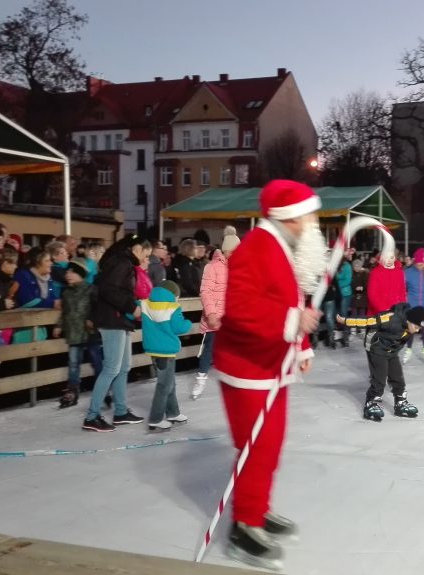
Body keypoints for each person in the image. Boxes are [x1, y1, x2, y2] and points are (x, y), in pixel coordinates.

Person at [211, 180, 323, 570]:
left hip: (271, 364)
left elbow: (286, 299)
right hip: (247, 368)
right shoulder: (258, 247)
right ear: (289, 217)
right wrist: (294, 322)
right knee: (256, 448)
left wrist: (302, 345)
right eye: (308, 214)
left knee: (269, 445)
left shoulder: (280, 247)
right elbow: (240, 308)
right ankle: (245, 523)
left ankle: (256, 509)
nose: (313, 222)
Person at [81, 235, 150, 432]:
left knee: (124, 366)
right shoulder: (122, 263)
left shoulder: (123, 262)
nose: (147, 258)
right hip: (112, 319)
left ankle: (120, 411)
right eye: (146, 254)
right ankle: (92, 416)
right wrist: (131, 307)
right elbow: (109, 290)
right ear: (136, 248)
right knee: (111, 368)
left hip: (120, 319)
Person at [337, 303, 424, 421]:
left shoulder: (409, 326)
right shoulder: (391, 318)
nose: (416, 331)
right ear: (409, 320)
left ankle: (400, 402)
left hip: (391, 350)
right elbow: (367, 321)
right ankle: (371, 402)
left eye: (419, 329)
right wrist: (345, 321)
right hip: (376, 347)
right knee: (380, 378)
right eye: (416, 327)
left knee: (397, 377)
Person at [194, 230, 240, 398]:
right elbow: (205, 292)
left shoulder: (238, 268)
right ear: (228, 251)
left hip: (231, 318)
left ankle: (235, 380)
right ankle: (201, 378)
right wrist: (212, 314)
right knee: (210, 349)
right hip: (215, 317)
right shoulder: (211, 267)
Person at [141, 280, 193, 431]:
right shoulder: (172, 307)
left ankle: (173, 413)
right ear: (174, 295)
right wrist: (188, 323)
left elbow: (132, 313)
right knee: (164, 385)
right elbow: (178, 328)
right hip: (166, 351)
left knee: (169, 383)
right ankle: (155, 419)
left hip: (154, 350)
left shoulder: (145, 303)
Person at [53, 258, 102, 409]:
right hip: (73, 333)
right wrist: (59, 325)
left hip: (90, 333)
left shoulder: (91, 289)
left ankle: (104, 390)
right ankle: (72, 391)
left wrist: (92, 319)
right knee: (73, 364)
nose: (68, 274)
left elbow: (98, 309)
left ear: (80, 274)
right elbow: (65, 312)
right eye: (67, 271)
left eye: (71, 272)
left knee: (97, 362)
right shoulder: (66, 292)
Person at [367, 251, 406, 315]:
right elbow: (372, 294)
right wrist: (384, 309)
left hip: (395, 313)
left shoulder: (400, 272)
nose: (389, 260)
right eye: (386, 258)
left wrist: (401, 308)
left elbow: (402, 292)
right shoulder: (375, 272)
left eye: (391, 257)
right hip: (378, 312)